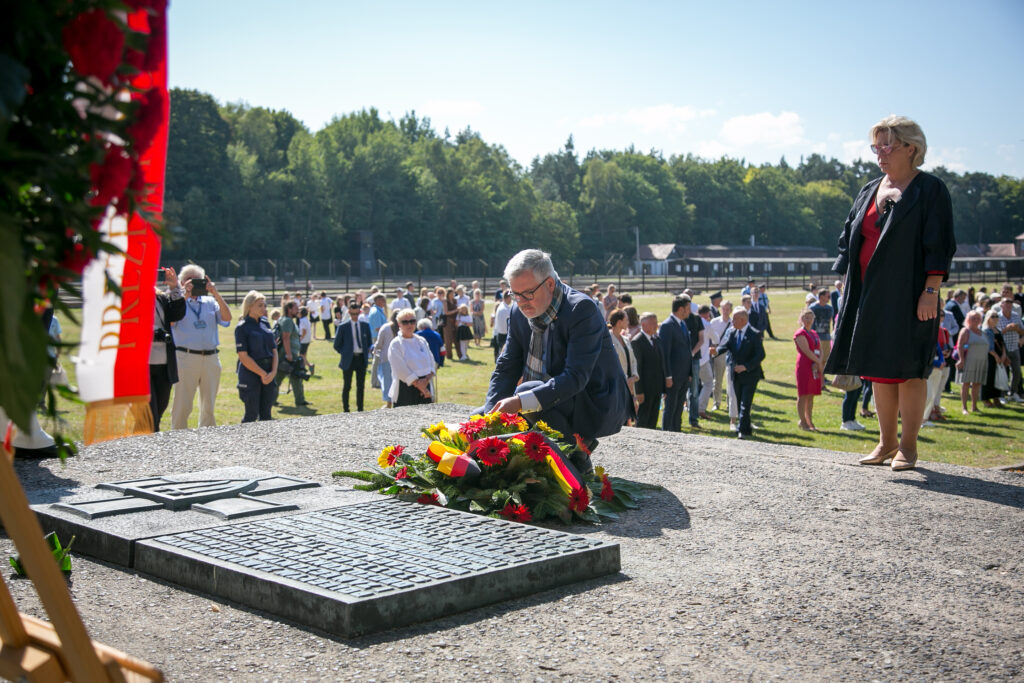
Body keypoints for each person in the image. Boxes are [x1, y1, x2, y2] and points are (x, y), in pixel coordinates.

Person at [826, 115, 956, 471]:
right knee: (878, 369)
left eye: (888, 145)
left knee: (909, 370)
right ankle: (886, 443)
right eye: (876, 146)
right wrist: (845, 284)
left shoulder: (930, 190)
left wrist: (931, 290)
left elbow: (939, 245)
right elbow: (847, 238)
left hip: (910, 294)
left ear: (911, 148)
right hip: (866, 295)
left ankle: (908, 448)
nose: (879, 153)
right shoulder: (869, 188)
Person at [478, 249, 631, 468]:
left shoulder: (582, 310)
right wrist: (489, 417)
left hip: (591, 401)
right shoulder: (517, 311)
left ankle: (578, 455)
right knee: (477, 419)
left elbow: (575, 378)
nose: (521, 302)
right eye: (515, 294)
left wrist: (520, 402)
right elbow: (506, 367)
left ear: (550, 284)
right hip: (549, 394)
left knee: (524, 393)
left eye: (528, 293)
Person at [170, 264, 232, 430]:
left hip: (211, 357)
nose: (192, 284)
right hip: (186, 357)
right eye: (187, 280)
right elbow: (171, 321)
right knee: (183, 404)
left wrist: (215, 293)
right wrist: (184, 295)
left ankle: (207, 439)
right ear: (181, 282)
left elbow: (227, 319)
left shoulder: (210, 302)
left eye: (196, 280)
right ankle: (177, 437)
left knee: (208, 406)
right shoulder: (176, 302)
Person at [713, 308, 765, 439]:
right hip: (736, 374)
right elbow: (725, 346)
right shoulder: (732, 332)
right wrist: (715, 351)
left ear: (743, 320)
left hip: (750, 375)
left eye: (735, 319)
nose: (732, 321)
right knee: (739, 401)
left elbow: (760, 354)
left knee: (745, 403)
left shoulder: (754, 334)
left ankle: (741, 429)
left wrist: (746, 367)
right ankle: (746, 429)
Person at [149, 267, 186, 431]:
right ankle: (149, 449)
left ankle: (143, 443)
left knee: (160, 409)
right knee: (150, 414)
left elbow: (177, 314)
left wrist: (174, 288)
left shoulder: (160, 298)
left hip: (164, 363)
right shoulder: (128, 298)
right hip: (142, 364)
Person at [234, 291, 277, 422]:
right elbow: (243, 356)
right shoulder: (242, 327)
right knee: (251, 415)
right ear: (250, 306)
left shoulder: (265, 323)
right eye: (260, 305)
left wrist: (273, 372)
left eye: (264, 305)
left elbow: (274, 350)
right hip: (251, 374)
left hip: (269, 372)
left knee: (266, 416)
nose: (264, 308)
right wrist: (262, 373)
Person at [658, 297, 693, 432]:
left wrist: (689, 373)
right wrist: (667, 376)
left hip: (684, 375)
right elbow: (665, 354)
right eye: (688, 308)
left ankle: (676, 432)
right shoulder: (667, 326)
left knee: (679, 408)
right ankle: (667, 433)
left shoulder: (683, 324)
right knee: (670, 407)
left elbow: (687, 351)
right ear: (680, 309)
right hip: (673, 377)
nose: (689, 311)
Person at [389, 309, 436, 407]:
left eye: (412, 321)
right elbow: (400, 369)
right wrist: (420, 386)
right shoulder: (396, 344)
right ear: (399, 324)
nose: (409, 325)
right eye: (405, 322)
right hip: (405, 388)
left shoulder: (422, 341)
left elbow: (431, 362)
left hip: (425, 386)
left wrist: (426, 380)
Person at [334, 301, 373, 412]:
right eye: (352, 314)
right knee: (347, 386)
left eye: (356, 314)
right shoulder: (343, 327)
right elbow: (336, 344)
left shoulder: (365, 326)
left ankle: (360, 408)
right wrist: (345, 352)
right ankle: (346, 409)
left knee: (360, 386)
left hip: (361, 358)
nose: (355, 316)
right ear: (349, 313)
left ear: (360, 313)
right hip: (349, 359)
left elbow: (369, 342)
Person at [631, 312, 666, 429]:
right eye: (652, 323)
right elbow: (637, 368)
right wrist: (639, 391)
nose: (656, 326)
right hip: (645, 389)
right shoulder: (637, 341)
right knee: (643, 418)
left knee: (653, 418)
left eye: (656, 323)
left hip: (656, 387)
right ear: (643, 325)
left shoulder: (657, 339)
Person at [793, 309, 824, 431]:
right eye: (806, 317)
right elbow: (806, 350)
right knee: (803, 394)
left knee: (811, 395)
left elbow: (820, 349)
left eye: (810, 317)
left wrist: (819, 361)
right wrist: (818, 361)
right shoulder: (800, 334)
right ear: (801, 319)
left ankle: (809, 420)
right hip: (805, 365)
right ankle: (803, 421)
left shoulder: (814, 333)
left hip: (815, 366)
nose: (808, 320)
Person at [275, 301, 309, 408]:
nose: (298, 310)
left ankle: (300, 400)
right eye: (295, 308)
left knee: (290, 377)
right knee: (288, 377)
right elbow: (285, 337)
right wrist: (289, 354)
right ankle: (299, 400)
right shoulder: (287, 321)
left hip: (288, 354)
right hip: (287, 355)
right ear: (289, 309)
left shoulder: (285, 320)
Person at [608, 309, 639, 423]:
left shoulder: (626, 339)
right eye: (626, 320)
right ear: (619, 322)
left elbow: (633, 360)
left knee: (630, 415)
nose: (628, 322)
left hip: (630, 385)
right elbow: (611, 363)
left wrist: (634, 376)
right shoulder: (608, 339)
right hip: (617, 384)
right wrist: (625, 378)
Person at [956, 310, 987, 413]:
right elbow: (959, 346)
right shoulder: (965, 331)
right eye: (973, 318)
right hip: (968, 360)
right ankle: (964, 408)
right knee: (966, 384)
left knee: (977, 384)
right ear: (968, 319)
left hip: (981, 361)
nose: (976, 320)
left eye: (978, 318)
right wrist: (961, 359)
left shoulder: (982, 332)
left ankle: (974, 406)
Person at [707, 300, 733, 413]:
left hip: (730, 353)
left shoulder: (733, 322)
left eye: (728, 309)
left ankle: (729, 404)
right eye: (724, 309)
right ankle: (716, 403)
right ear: (720, 309)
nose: (725, 311)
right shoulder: (714, 322)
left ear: (731, 310)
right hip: (718, 353)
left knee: (730, 381)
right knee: (717, 380)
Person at [981, 309, 1009, 407]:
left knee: (997, 377)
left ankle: (996, 397)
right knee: (988, 377)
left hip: (1000, 356)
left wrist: (1004, 355)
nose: (995, 318)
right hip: (990, 357)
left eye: (997, 316)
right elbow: (988, 346)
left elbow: (1002, 344)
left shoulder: (998, 330)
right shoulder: (985, 330)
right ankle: (986, 399)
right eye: (993, 316)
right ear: (988, 318)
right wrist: (996, 356)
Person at [997, 297, 1023, 401]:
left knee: (1017, 372)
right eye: (1006, 303)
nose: (1008, 305)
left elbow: (1022, 332)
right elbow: (996, 334)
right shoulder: (997, 317)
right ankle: (1002, 395)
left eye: (1010, 303)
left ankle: (1013, 392)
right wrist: (1006, 329)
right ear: (1001, 305)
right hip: (1003, 348)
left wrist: (1017, 329)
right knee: (1003, 372)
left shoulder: (1016, 316)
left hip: (1014, 347)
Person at [373, 311, 399, 408]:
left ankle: (389, 404)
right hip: (399, 359)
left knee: (387, 382)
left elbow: (379, 344)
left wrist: (375, 353)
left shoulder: (385, 328)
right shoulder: (401, 328)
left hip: (386, 358)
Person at [809, 289, 834, 368]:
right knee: (816, 358)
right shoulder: (813, 307)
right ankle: (816, 376)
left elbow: (830, 320)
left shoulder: (830, 308)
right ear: (821, 296)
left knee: (825, 358)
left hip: (826, 337)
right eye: (828, 296)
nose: (829, 298)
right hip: (815, 337)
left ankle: (822, 375)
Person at [491, 291, 513, 361]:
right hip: (504, 334)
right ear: (508, 298)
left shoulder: (501, 306)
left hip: (499, 333)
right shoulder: (506, 309)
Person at [442, 288, 461, 361]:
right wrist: (456, 310)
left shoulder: (455, 301)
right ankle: (449, 355)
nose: (453, 295)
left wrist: (457, 319)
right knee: (448, 339)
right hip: (448, 321)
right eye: (451, 293)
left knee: (457, 338)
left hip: (455, 320)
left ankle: (460, 354)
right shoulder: (445, 301)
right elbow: (446, 312)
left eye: (453, 293)